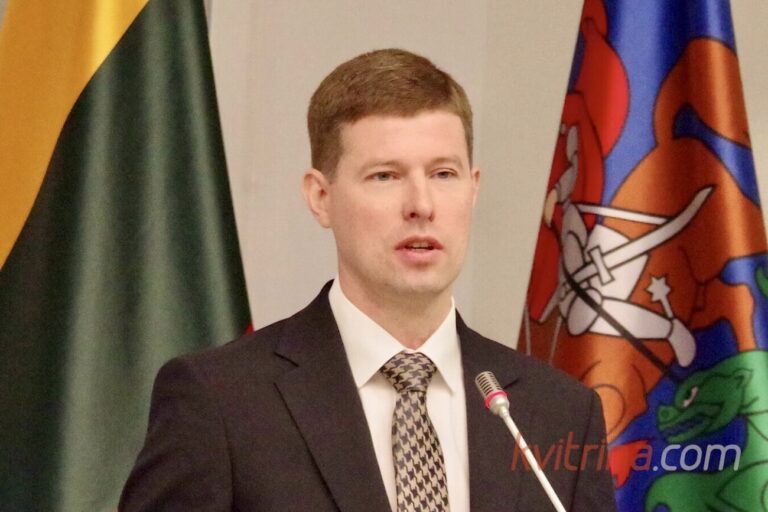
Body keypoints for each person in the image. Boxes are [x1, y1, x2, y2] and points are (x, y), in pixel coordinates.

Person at [119, 48, 616, 512]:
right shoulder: (220, 403)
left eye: (443, 174)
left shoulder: (561, 414)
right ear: (320, 197)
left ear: (473, 188)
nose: (421, 205)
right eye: (385, 176)